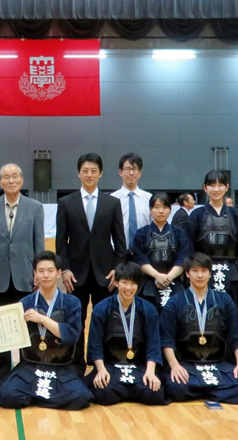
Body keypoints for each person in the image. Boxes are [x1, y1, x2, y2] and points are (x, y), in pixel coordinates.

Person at [56, 153, 127, 371]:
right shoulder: (66, 203)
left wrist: (117, 269)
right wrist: (65, 269)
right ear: (78, 173)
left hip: (105, 274)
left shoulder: (112, 203)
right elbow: (61, 241)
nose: (89, 174)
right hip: (75, 274)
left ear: (101, 173)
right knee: (75, 320)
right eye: (85, 170)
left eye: (93, 170)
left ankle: (101, 365)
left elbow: (120, 242)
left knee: (103, 320)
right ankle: (75, 365)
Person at [0, 251, 92, 410]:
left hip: (61, 366)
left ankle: (35, 397)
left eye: (50, 270)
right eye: (41, 271)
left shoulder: (72, 302)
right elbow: (9, 334)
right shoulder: (25, 302)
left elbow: (72, 335)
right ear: (35, 273)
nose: (46, 275)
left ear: (59, 273)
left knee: (81, 398)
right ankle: (51, 398)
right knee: (8, 395)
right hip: (30, 365)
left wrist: (42, 319)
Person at [0, 163, 45, 383]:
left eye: (15, 176)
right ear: (0, 182)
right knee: (0, 327)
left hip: (26, 276)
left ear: (22, 180)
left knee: (28, 325)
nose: (11, 180)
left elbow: (39, 244)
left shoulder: (35, 207)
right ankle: (2, 372)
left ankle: (29, 368)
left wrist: (39, 272)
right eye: (6, 177)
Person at [160, 252, 238, 404]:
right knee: (174, 387)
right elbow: (166, 340)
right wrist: (174, 366)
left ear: (210, 273)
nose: (200, 275)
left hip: (218, 364)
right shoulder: (175, 303)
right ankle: (214, 391)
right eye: (195, 271)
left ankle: (202, 392)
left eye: (204, 271)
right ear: (187, 274)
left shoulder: (224, 300)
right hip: (188, 365)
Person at [85, 261, 165, 406]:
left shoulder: (148, 310)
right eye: (124, 282)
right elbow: (95, 344)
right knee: (103, 391)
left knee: (154, 392)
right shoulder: (101, 309)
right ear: (116, 283)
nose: (129, 288)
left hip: (138, 365)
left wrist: (151, 371)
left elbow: (154, 344)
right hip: (110, 365)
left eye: (133, 283)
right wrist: (100, 369)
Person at [185, 170, 238, 308]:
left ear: (227, 187)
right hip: (204, 270)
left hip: (233, 271)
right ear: (205, 188)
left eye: (220, 185)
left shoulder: (237, 215)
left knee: (233, 310)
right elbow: (189, 247)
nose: (216, 189)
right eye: (212, 185)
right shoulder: (196, 215)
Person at [132, 192, 192, 311]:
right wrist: (157, 275)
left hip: (174, 281)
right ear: (150, 210)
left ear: (170, 210)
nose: (161, 211)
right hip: (148, 283)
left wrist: (168, 277)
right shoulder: (142, 233)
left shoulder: (179, 233)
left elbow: (183, 258)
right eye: (157, 207)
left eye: (165, 207)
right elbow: (140, 258)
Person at [110, 153, 151, 251]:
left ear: (140, 173)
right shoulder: (111, 199)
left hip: (144, 253)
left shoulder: (149, 199)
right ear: (120, 172)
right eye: (127, 169)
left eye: (135, 169)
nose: (131, 173)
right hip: (118, 253)